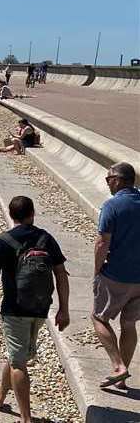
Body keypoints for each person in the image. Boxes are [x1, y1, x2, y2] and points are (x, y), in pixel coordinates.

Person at [0, 196, 69, 423]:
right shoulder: (46, 239)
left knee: (18, 363)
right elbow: (61, 274)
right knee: (17, 355)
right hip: (41, 309)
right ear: (33, 213)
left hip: (14, 309)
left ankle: (26, 419)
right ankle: (0, 395)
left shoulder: (5, 240)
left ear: (12, 216)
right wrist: (64, 309)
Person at [92, 162, 140, 389]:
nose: (107, 183)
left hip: (116, 275)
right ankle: (122, 380)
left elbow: (102, 242)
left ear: (118, 180)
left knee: (99, 318)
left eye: (108, 179)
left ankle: (118, 366)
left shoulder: (112, 205)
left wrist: (97, 270)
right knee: (129, 322)